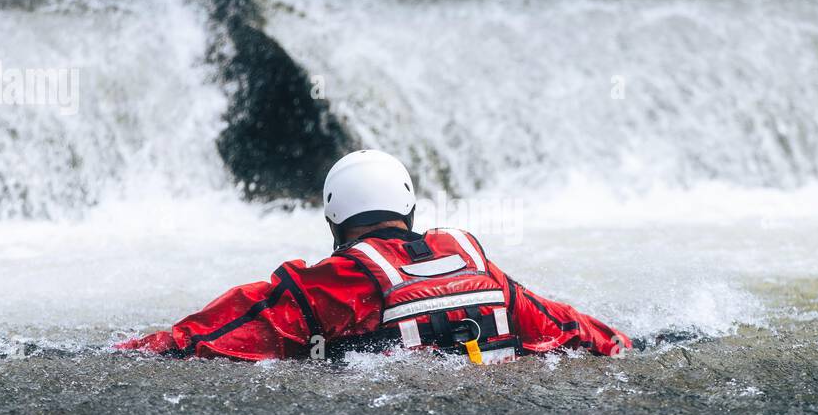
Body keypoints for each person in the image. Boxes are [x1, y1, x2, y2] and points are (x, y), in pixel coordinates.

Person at [118, 150, 631, 363]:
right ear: (409, 209)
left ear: (333, 220)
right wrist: (628, 343)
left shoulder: (330, 281)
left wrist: (126, 353)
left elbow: (204, 338)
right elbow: (566, 327)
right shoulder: (477, 264)